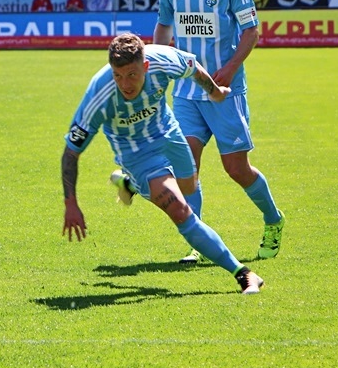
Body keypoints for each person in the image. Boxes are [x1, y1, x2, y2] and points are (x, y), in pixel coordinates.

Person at [61, 33, 264, 295]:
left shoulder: (162, 60)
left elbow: (193, 68)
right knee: (180, 210)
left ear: (145, 66)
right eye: (118, 75)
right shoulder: (99, 95)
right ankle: (244, 274)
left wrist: (214, 93)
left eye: (132, 74)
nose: (125, 84)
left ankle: (129, 184)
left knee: (190, 185)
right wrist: (71, 204)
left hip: (169, 133)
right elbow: (71, 153)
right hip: (137, 153)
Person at [152, 0, 285, 264]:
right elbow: (165, 26)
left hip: (224, 92)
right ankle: (199, 242)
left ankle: (273, 220)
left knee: (236, 170)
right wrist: (161, 62)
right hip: (187, 91)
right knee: (186, 168)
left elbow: (251, 31)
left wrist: (228, 68)